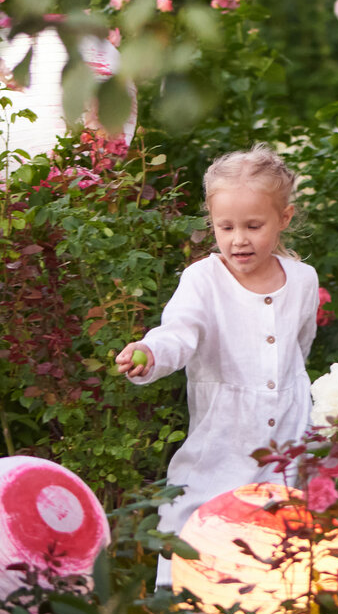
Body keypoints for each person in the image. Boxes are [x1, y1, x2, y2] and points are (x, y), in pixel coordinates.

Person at [116, 145, 317, 586]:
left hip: (287, 433)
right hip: (224, 435)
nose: (238, 239)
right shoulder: (203, 279)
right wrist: (150, 352)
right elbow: (179, 332)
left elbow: (299, 351)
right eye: (225, 227)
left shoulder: (303, 280)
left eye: (253, 226)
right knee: (195, 522)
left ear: (284, 218)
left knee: (280, 535)